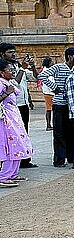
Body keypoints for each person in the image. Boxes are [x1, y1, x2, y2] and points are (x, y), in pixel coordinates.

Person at [38, 47, 74, 167]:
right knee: (59, 133)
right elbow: (42, 76)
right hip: (59, 103)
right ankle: (59, 159)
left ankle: (72, 157)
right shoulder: (58, 67)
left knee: (71, 132)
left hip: (72, 104)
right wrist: (54, 87)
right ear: (69, 57)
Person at [0, 43, 38, 169]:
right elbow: (13, 84)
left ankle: (23, 160)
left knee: (23, 132)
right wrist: (22, 69)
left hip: (22, 103)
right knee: (10, 135)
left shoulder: (16, 65)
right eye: (10, 52)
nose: (14, 54)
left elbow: (34, 78)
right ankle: (9, 164)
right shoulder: (4, 69)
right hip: (9, 107)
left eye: (14, 52)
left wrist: (32, 67)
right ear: (2, 54)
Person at [0, 59, 33, 187]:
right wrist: (6, 93)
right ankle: (4, 176)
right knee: (10, 145)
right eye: (9, 70)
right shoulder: (1, 84)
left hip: (14, 118)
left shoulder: (8, 82)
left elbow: (16, 82)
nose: (12, 71)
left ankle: (13, 173)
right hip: (6, 120)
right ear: (2, 72)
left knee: (18, 144)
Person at [39, 57, 55, 131]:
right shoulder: (47, 71)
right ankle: (49, 125)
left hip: (47, 92)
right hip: (50, 93)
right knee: (51, 109)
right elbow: (50, 83)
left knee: (49, 109)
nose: (53, 63)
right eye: (51, 62)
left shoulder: (44, 70)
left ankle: (49, 124)